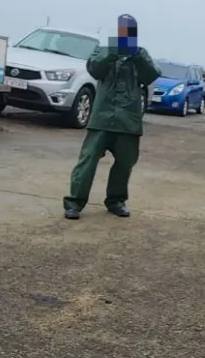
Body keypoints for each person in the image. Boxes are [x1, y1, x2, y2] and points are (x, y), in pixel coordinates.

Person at [63, 14, 161, 219]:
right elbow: (95, 69)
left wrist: (137, 56)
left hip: (128, 121)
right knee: (87, 161)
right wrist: (113, 51)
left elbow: (151, 75)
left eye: (130, 31)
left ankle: (116, 201)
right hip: (102, 118)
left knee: (125, 164)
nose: (126, 34)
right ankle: (74, 203)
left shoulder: (141, 54)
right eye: (122, 30)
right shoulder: (104, 49)